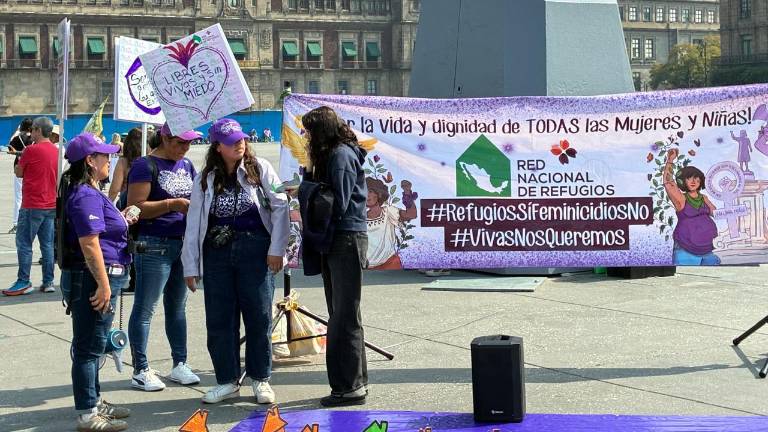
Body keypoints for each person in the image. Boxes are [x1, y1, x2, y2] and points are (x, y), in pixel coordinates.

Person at [181, 118, 289, 404]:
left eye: (241, 139)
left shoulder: (260, 168)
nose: (239, 143)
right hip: (217, 251)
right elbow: (193, 223)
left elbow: (280, 207)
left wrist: (277, 248)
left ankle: (261, 378)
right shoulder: (204, 178)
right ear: (217, 147)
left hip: (256, 248)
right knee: (219, 319)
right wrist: (190, 266)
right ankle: (227, 380)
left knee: (259, 315)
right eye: (231, 142)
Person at [60, 133, 138, 432]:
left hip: (100, 275)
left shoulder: (90, 192)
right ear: (90, 161)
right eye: (105, 156)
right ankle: (87, 413)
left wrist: (120, 218)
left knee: (93, 345)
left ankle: (94, 401)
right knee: (88, 348)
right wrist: (104, 285)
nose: (110, 160)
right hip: (93, 278)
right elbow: (89, 243)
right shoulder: (85, 195)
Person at [298, 106, 369, 407]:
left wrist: (308, 188)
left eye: (309, 131)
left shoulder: (340, 155)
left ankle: (349, 387)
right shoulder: (338, 154)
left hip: (345, 237)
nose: (306, 136)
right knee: (342, 312)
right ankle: (354, 382)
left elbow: (336, 202)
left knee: (343, 315)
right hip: (340, 238)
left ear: (321, 131)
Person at [126, 123, 200, 391]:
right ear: (166, 138)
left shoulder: (188, 165)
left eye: (189, 143)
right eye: (181, 143)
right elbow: (135, 207)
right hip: (153, 244)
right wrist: (173, 204)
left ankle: (180, 363)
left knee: (177, 307)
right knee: (145, 308)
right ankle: (140, 368)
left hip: (181, 244)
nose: (185, 148)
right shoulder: (144, 165)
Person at [4, 117, 58, 296]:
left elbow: (19, 172)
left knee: (24, 243)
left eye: (33, 130)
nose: (30, 133)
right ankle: (48, 281)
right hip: (50, 204)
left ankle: (24, 280)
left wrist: (21, 162)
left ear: (38, 130)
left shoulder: (31, 150)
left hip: (32, 204)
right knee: (47, 245)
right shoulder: (56, 151)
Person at [663, 148, 720, 265]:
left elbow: (716, 213)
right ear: (683, 181)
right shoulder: (681, 199)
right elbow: (669, 183)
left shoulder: (703, 198)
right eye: (689, 178)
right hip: (686, 250)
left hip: (709, 249)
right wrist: (670, 160)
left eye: (696, 178)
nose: (693, 181)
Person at [7, 118, 33, 234]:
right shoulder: (34, 139)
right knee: (31, 196)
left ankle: (16, 224)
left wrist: (16, 132)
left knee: (19, 197)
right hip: (31, 170)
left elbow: (10, 147)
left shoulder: (18, 138)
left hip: (19, 169)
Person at [108, 128, 142, 205]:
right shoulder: (148, 160)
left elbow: (115, 189)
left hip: (128, 202)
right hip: (147, 203)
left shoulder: (123, 162)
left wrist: (107, 206)